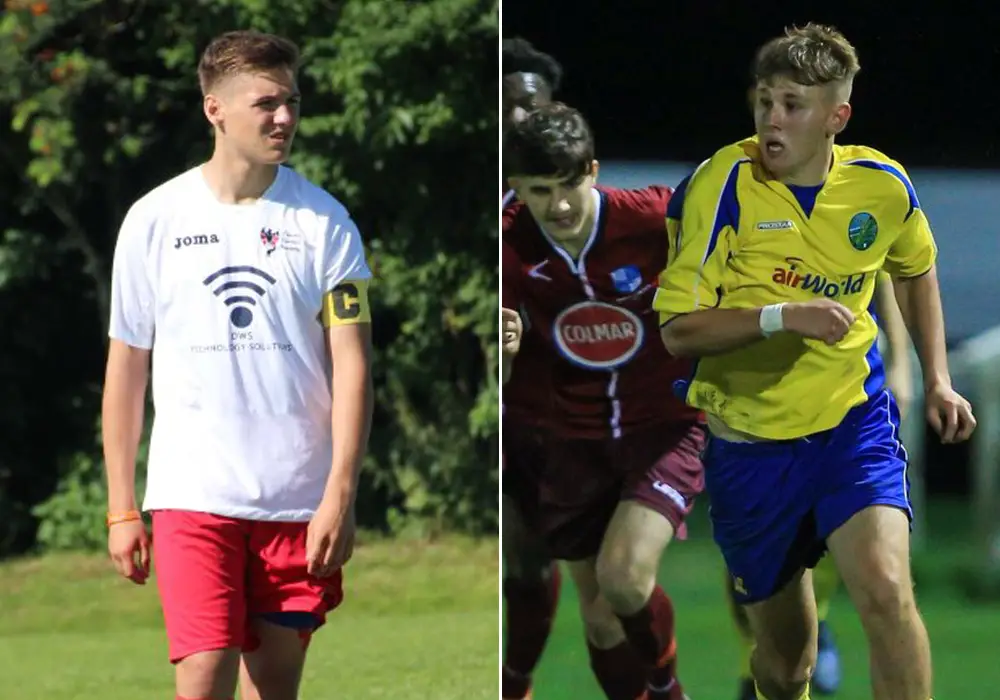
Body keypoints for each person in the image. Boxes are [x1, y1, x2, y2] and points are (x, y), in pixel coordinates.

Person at [653, 23, 975, 700]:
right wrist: (782, 316)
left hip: (852, 426)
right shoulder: (721, 185)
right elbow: (679, 331)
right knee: (786, 666)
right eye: (764, 101)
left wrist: (939, 379)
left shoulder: (881, 185)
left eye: (792, 105)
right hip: (750, 450)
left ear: (837, 117)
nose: (772, 119)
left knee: (887, 592)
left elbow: (915, 268)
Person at [102, 30, 374, 700]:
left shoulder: (326, 222)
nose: (284, 117)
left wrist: (340, 494)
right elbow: (127, 366)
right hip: (192, 495)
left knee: (273, 687)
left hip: (298, 498)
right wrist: (120, 507)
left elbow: (352, 366)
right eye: (266, 103)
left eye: (292, 101)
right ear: (214, 108)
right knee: (202, 675)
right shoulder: (153, 220)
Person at [503, 101, 703, 700]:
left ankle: (669, 690)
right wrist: (501, 347)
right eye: (540, 190)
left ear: (593, 171)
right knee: (600, 618)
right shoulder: (506, 245)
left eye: (570, 184)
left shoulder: (655, 219)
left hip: (663, 428)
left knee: (624, 580)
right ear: (516, 186)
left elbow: (734, 243)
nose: (559, 205)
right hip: (573, 442)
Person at [727, 272, 915, 700]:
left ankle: (817, 618)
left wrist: (902, 366)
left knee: (856, 535)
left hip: (850, 384)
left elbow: (890, 266)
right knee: (755, 541)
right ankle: (756, 655)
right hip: (757, 386)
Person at [499, 36, 565, 700]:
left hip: (542, 414)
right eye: (508, 106)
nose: (521, 120)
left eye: (533, 107)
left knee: (530, 564)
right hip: (486, 407)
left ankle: (514, 681)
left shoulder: (559, 207)